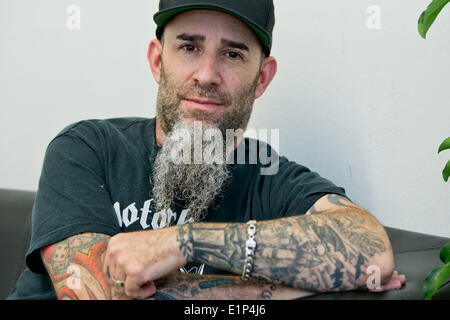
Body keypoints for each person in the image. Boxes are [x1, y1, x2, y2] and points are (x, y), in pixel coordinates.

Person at [8, 0, 406, 300]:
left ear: (262, 78)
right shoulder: (87, 148)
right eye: (189, 48)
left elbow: (368, 250)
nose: (207, 75)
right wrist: (276, 289)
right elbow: (92, 292)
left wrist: (182, 242)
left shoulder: (267, 175)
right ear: (157, 61)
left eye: (232, 54)